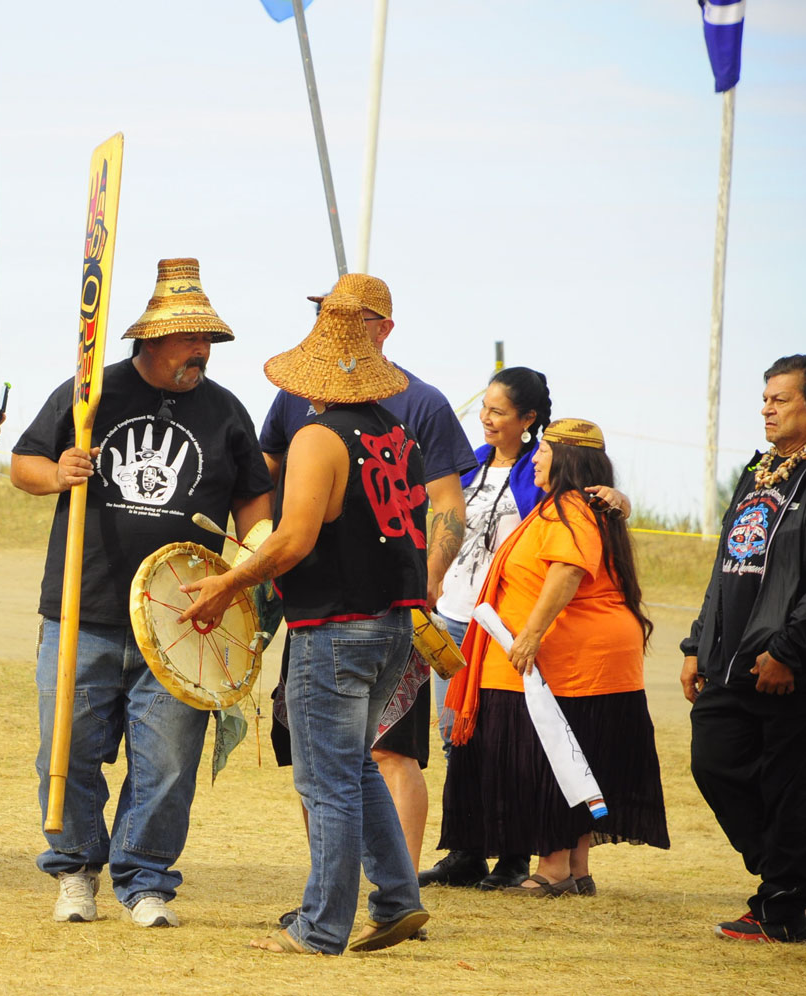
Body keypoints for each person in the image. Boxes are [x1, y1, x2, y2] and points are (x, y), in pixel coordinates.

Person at [11, 258, 272, 928]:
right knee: (65, 750)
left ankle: (145, 879)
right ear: (152, 340)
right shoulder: (90, 394)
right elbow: (22, 464)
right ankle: (75, 870)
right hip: (84, 609)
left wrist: (247, 569)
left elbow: (255, 506)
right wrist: (59, 473)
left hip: (186, 621)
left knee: (168, 762)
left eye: (208, 339)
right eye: (191, 339)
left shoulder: (227, 412)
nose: (202, 351)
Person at [180, 290, 430, 955]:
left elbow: (292, 540)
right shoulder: (395, 433)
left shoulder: (319, 437)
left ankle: (320, 927)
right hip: (391, 625)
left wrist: (229, 584)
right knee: (353, 768)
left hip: (337, 626)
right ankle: (398, 899)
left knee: (326, 781)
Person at [258, 272, 472, 899]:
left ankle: (351, 906)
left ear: (385, 328)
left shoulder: (419, 403)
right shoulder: (299, 402)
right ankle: (375, 895)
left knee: (373, 759)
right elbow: (264, 475)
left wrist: (427, 582)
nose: (332, 328)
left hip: (367, 611)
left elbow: (446, 503)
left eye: (349, 318)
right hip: (328, 607)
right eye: (326, 315)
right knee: (331, 759)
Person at [438, 419, 669, 897]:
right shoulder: (571, 506)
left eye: (543, 451)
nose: (536, 459)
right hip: (581, 662)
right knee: (575, 758)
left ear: (566, 459)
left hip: (564, 661)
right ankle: (576, 869)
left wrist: (530, 636)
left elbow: (567, 570)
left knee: (551, 762)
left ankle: (555, 869)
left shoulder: (570, 509)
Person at [685, 353, 806, 943]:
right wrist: (695, 643)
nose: (766, 409)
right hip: (730, 661)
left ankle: (783, 904)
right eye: (765, 399)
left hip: (787, 667)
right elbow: (725, 563)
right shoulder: (759, 471)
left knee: (789, 786)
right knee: (712, 761)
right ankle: (791, 876)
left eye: (780, 399)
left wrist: (790, 650)